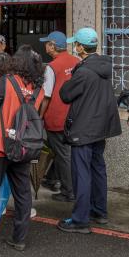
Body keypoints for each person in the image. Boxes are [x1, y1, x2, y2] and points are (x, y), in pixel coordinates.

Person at [0, 45, 45, 256]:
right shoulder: (36, 88)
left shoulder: (7, 82)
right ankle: (19, 238)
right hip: (22, 146)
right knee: (22, 193)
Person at [56, 27, 121, 234]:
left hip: (84, 128)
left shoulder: (83, 71)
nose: (74, 47)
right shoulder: (104, 65)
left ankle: (80, 219)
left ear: (81, 48)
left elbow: (65, 94)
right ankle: (99, 211)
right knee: (97, 168)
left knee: (81, 173)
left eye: (75, 44)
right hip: (101, 127)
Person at [39, 31, 80, 203]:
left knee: (63, 154)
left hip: (56, 118)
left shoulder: (51, 67)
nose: (45, 46)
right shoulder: (77, 61)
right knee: (64, 152)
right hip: (74, 116)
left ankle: (68, 191)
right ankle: (51, 178)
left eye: (47, 43)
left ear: (53, 46)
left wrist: (39, 117)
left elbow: (46, 96)